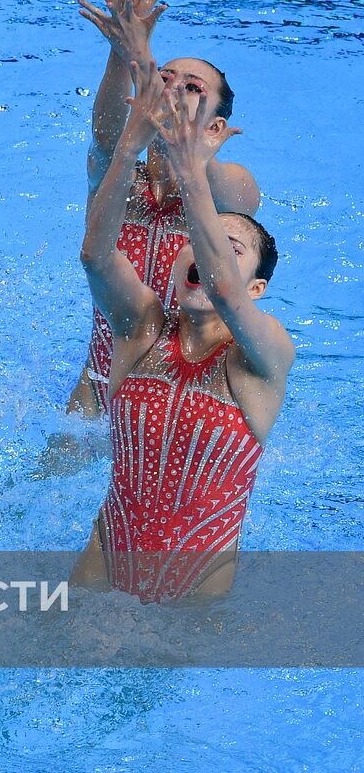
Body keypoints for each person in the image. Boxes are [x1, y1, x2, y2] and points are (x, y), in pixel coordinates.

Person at [71, 59, 293, 603]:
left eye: (224, 245)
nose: (205, 248)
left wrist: (192, 168)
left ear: (256, 287)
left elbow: (226, 290)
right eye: (196, 238)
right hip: (103, 558)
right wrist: (130, 145)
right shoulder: (143, 331)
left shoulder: (261, 354)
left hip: (196, 591)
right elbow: (96, 258)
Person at [67, 0, 259, 415]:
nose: (173, 91)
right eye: (165, 79)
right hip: (103, 379)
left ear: (216, 125)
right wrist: (123, 53)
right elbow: (106, 140)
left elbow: (211, 183)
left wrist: (189, 145)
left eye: (192, 88)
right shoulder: (118, 183)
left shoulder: (232, 189)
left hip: (189, 391)